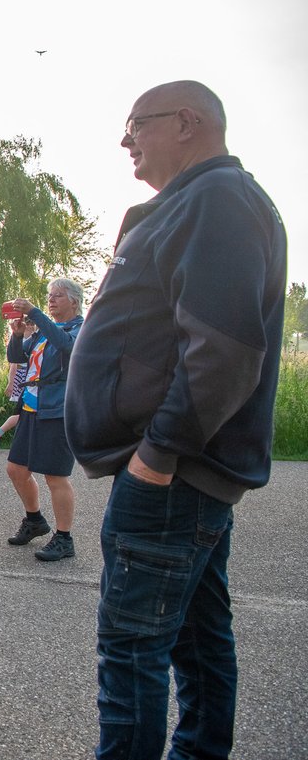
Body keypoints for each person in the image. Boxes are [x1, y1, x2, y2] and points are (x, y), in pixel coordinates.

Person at [66, 81, 286, 760]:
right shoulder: (190, 203)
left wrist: (155, 457)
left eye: (136, 125)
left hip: (169, 480)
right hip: (180, 482)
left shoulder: (218, 199)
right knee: (199, 645)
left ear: (186, 122)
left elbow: (222, 351)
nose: (124, 141)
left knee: (132, 655)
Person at [3, 280, 83, 561]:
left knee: (55, 476)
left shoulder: (79, 329)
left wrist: (36, 314)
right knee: (16, 468)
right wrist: (17, 334)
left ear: (74, 301)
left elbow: (68, 347)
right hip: (31, 408)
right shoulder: (43, 332)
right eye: (49, 297)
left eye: (58, 296)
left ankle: (64, 538)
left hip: (57, 409)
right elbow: (17, 357)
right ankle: (35, 519)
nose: (51, 300)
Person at [0, 319, 36, 451]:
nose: (31, 327)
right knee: (24, 412)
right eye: (28, 324)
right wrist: (11, 382)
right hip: (22, 377)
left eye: (32, 324)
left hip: (29, 377)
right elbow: (14, 364)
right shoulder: (24, 341)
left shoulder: (34, 339)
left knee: (25, 412)